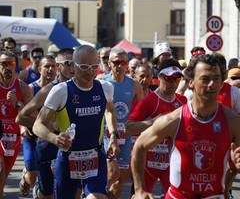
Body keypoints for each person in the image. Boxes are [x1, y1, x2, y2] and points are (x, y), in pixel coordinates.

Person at [131, 54, 240, 199]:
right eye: (205, 79)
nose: (211, 84)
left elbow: (233, 168)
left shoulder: (232, 121)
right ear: (191, 82)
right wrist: (139, 190)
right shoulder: (174, 119)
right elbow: (139, 145)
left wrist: (231, 177)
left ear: (222, 83)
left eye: (216, 79)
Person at [32, 45, 120, 199]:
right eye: (84, 67)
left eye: (94, 66)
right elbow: (37, 125)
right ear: (73, 65)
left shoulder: (106, 88)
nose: (90, 71)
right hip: (67, 159)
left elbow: (110, 110)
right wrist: (54, 138)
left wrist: (113, 135)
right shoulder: (60, 91)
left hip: (95, 156)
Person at [16, 48, 75, 199]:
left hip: (74, 149)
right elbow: (21, 118)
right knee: (46, 194)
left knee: (73, 194)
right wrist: (46, 125)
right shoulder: (48, 90)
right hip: (47, 147)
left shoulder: (84, 88)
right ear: (59, 65)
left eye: (76, 63)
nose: (73, 67)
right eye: (68, 63)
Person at [126, 59, 187, 197]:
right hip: (148, 162)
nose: (173, 82)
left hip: (170, 162)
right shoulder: (150, 101)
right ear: (159, 77)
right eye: (169, 78)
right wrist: (152, 123)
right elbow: (128, 128)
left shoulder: (182, 101)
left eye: (177, 78)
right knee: (142, 196)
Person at [102, 48, 143, 199]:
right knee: (111, 173)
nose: (119, 66)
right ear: (109, 64)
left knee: (121, 180)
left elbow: (142, 109)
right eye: (116, 62)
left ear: (127, 65)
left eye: (123, 62)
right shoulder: (102, 81)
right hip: (106, 134)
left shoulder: (134, 85)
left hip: (125, 136)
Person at [18, 55, 57, 197]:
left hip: (51, 137)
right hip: (32, 136)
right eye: (47, 66)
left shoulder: (61, 88)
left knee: (52, 176)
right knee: (31, 175)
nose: (50, 69)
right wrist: (23, 127)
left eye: (53, 66)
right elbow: (22, 112)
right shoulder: (31, 88)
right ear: (40, 69)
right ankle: (26, 177)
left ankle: (41, 191)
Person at [0, 50, 31, 199]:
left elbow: (30, 114)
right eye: (3, 63)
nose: (7, 67)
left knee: (3, 177)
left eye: (10, 63)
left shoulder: (23, 87)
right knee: (0, 171)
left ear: (15, 66)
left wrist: (17, 103)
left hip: (13, 137)